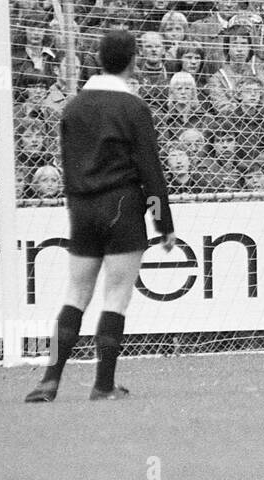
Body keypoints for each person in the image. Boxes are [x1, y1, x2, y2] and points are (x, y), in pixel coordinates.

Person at [24, 30, 175, 404]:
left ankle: (49, 380)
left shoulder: (74, 107)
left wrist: (77, 206)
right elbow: (150, 170)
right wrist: (163, 223)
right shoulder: (134, 108)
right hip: (122, 207)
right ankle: (103, 385)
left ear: (99, 60)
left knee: (76, 294)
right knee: (116, 297)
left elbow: (67, 162)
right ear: (133, 60)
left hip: (83, 208)